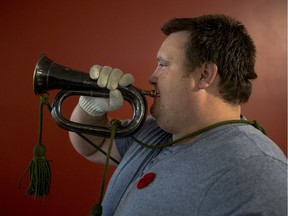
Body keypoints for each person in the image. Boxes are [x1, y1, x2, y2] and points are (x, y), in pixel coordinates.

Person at [69, 14, 287, 216]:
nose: (152, 77)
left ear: (204, 75)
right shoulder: (155, 130)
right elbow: (92, 146)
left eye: (163, 65)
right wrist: (90, 108)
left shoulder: (258, 171)